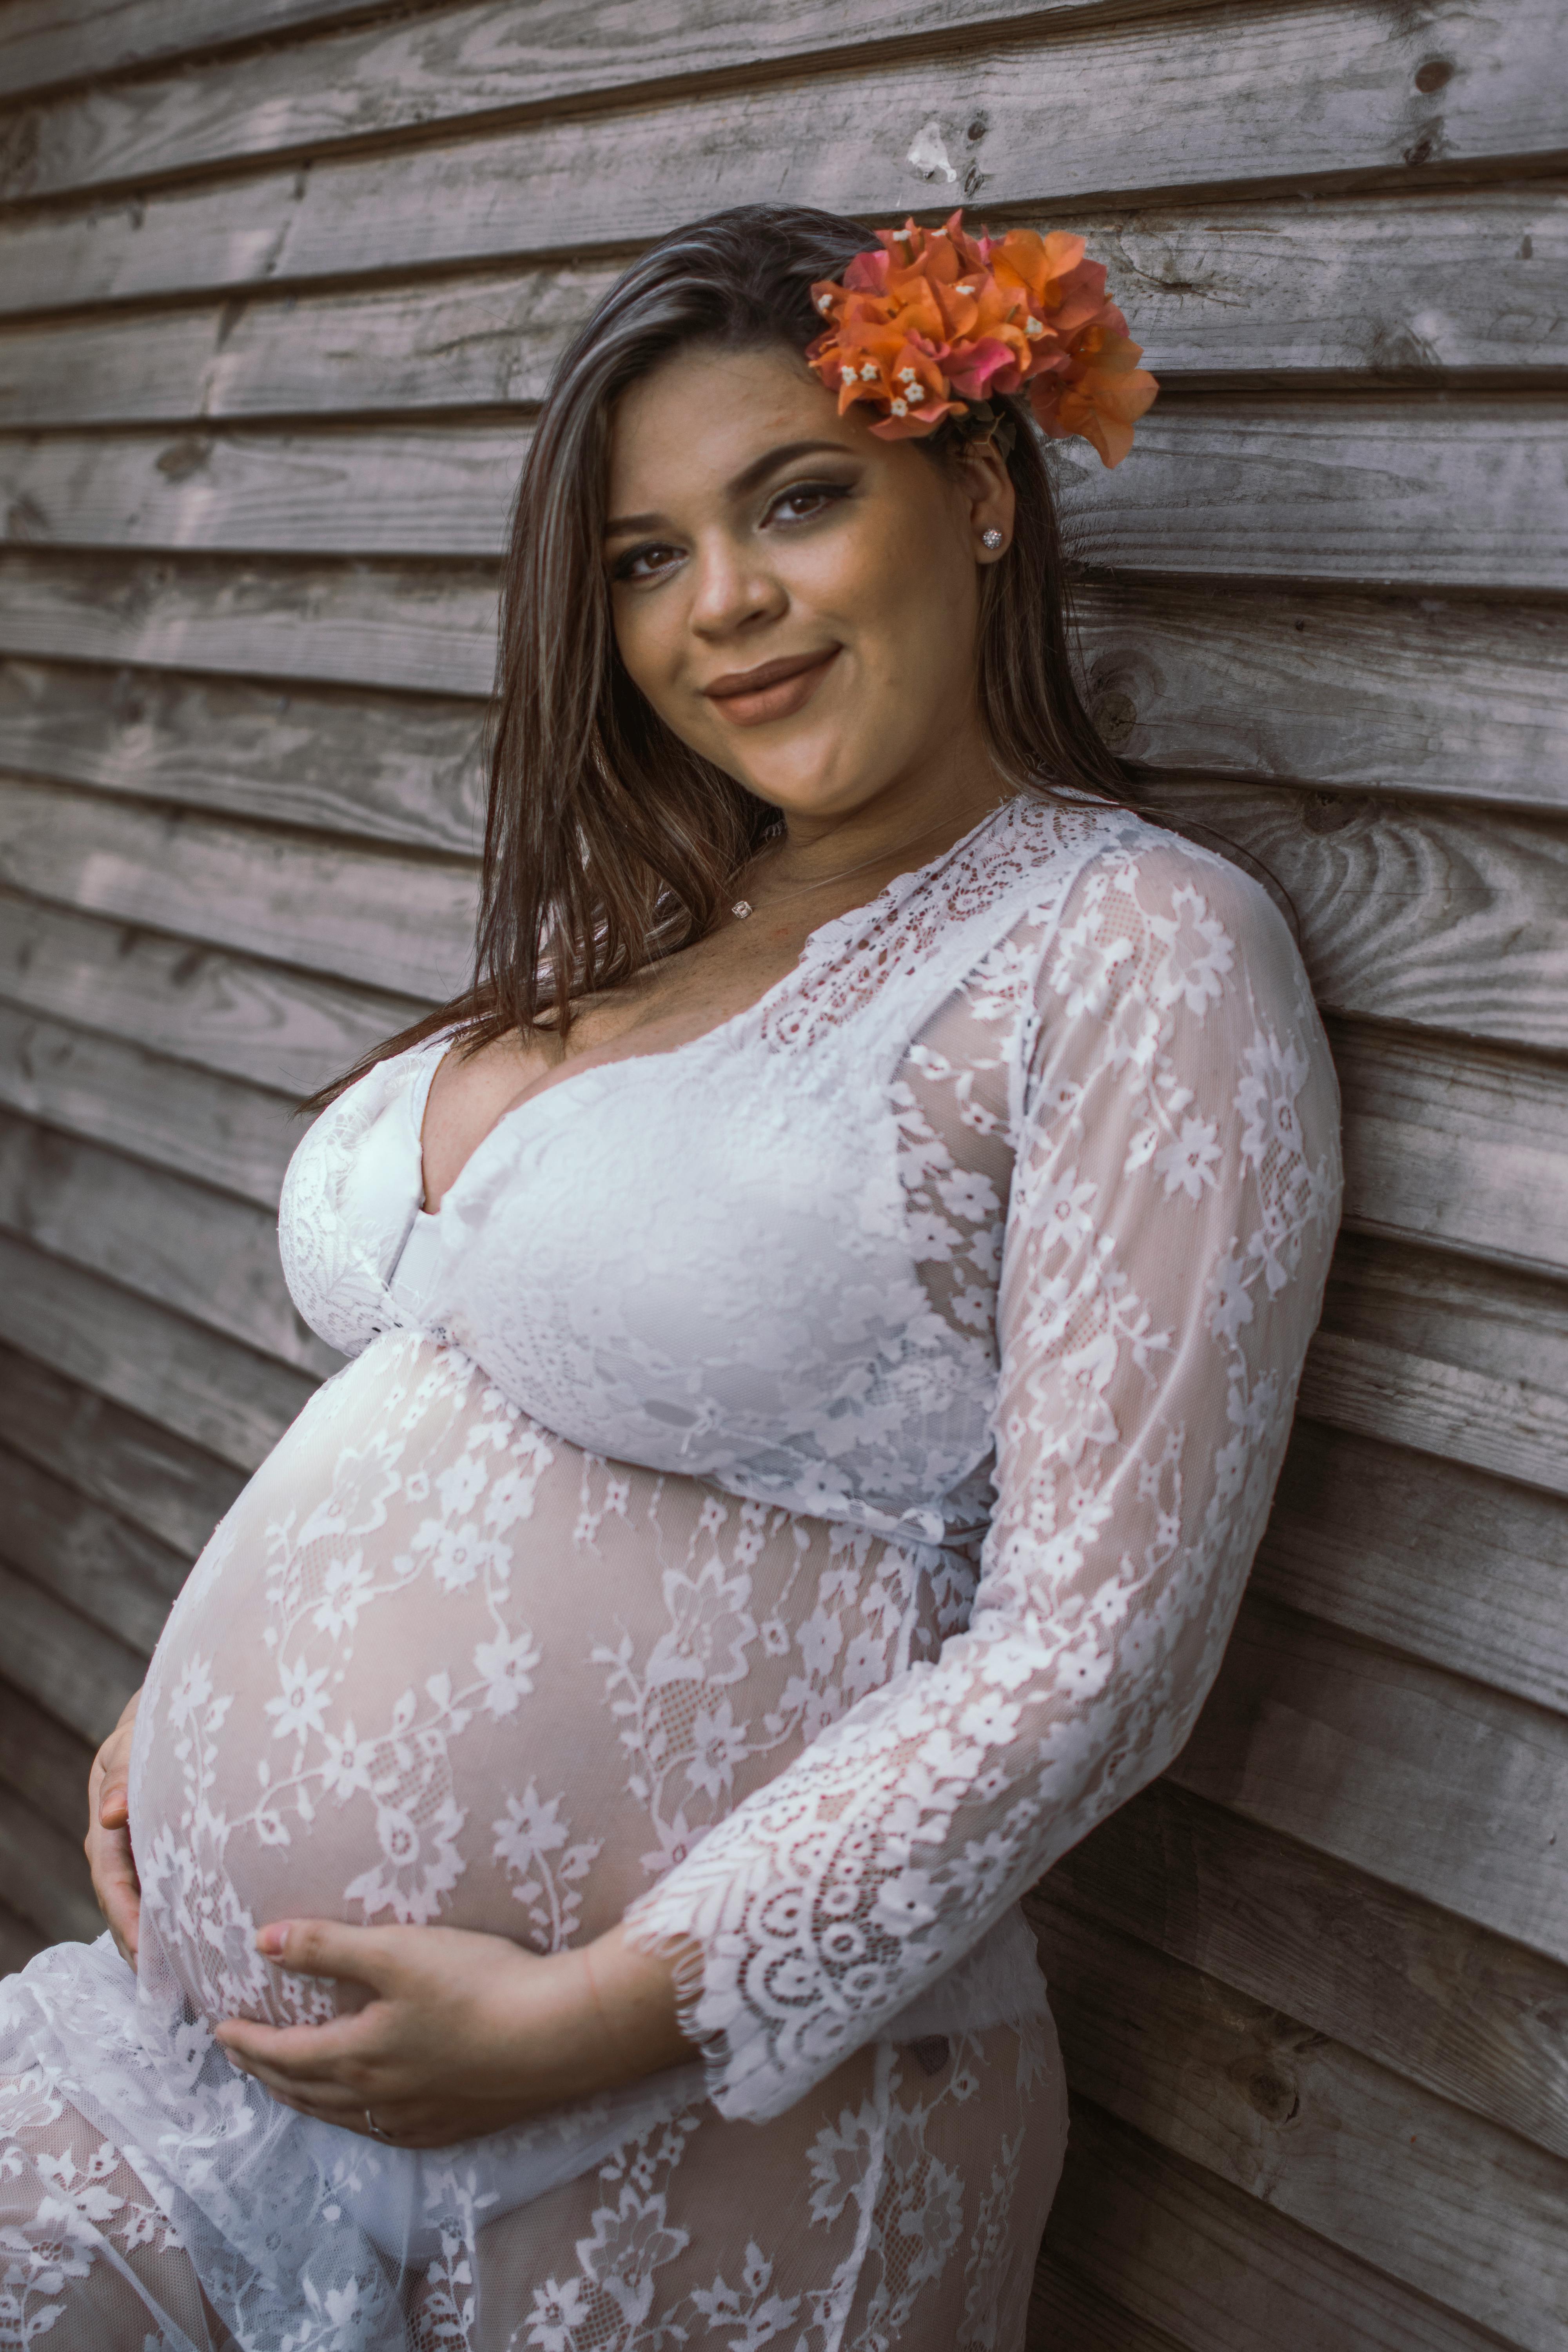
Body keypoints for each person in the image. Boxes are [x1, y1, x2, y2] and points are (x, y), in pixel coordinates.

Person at [0, 204, 1340, 2350]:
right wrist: (201, 1707)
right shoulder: (643, 925)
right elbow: (459, 1388)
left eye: (795, 501)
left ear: (980, 494)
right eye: (642, 558)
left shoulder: (1127, 948)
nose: (722, 607)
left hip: (671, 2142)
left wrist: (615, 2013)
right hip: (194, 2085)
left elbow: (1100, 1651)